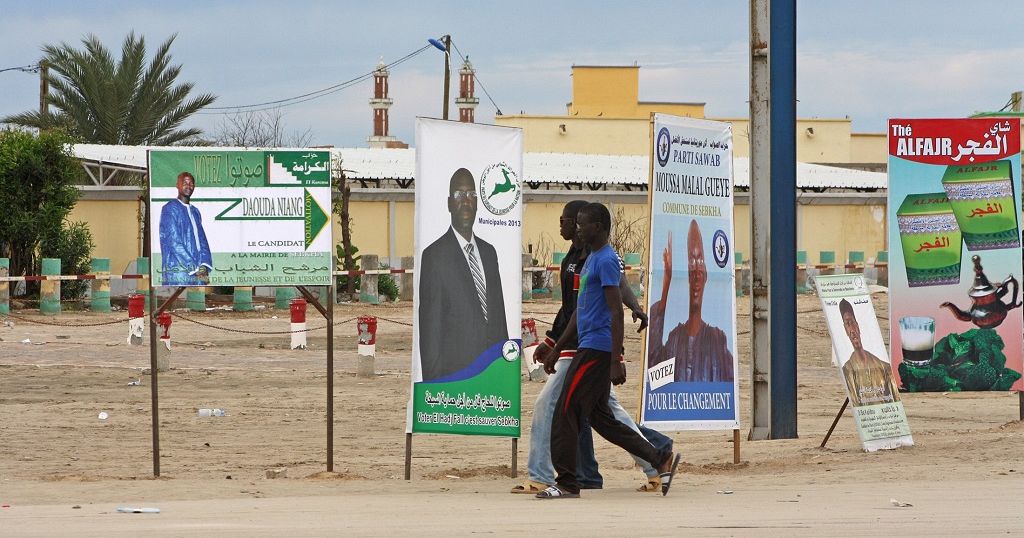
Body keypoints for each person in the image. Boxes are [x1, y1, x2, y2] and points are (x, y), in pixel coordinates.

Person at [512, 201, 672, 495]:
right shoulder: (586, 259)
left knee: (564, 410)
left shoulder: (606, 259)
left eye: (579, 223)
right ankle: (658, 457)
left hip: (595, 349)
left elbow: (614, 308)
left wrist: (617, 358)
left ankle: (564, 482)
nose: (575, 228)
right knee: (602, 418)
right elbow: (577, 310)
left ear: (595, 227)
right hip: (582, 344)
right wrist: (555, 345)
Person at [418, 168, 509, 381]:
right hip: (454, 378)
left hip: (491, 375)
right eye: (459, 195)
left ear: (477, 203)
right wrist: (433, 385)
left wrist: (505, 371)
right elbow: (430, 328)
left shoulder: (489, 253)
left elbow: (499, 318)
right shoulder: (434, 255)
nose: (466, 201)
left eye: (471, 195)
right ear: (449, 203)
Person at [648, 219, 734, 382]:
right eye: (691, 262)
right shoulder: (675, 339)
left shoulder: (717, 340)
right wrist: (666, 282)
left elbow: (729, 386)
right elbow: (654, 374)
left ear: (707, 275)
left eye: (700, 261)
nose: (696, 272)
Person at [838, 298, 900, 406]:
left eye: (852, 322)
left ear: (858, 326)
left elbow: (895, 401)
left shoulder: (883, 367)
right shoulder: (848, 370)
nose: (852, 330)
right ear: (845, 330)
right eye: (847, 324)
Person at [159, 172, 213, 286]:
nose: (188, 186)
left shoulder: (195, 211)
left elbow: (202, 240)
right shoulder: (169, 209)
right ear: (177, 185)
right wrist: (192, 266)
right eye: (185, 183)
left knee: (196, 303)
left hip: (198, 273)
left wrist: (204, 265)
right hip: (178, 272)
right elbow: (173, 242)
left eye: (191, 183)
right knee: (179, 303)